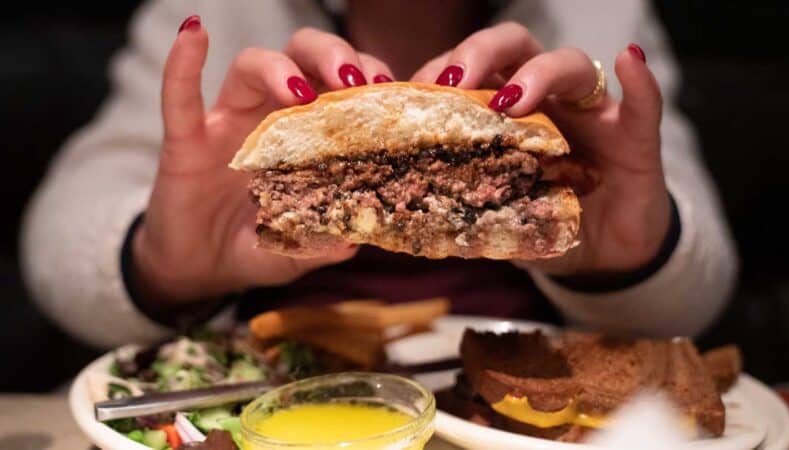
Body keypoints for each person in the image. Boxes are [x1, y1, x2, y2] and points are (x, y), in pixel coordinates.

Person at [21, 0, 737, 349]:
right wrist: (164, 264)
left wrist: (635, 257)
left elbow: (698, 298)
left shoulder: (596, 10)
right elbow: (53, 241)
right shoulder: (224, 7)